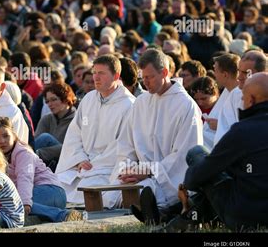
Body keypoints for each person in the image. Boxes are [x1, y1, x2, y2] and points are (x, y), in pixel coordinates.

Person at [111, 49, 203, 209]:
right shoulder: (141, 102)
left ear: (165, 72)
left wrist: (149, 170)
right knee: (110, 194)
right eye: (143, 77)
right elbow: (126, 145)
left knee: (144, 194)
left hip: (168, 178)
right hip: (139, 175)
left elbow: (184, 156)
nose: (145, 82)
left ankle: (157, 208)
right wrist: (129, 169)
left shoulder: (186, 105)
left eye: (150, 77)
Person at [180, 72, 268, 231]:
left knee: (197, 153)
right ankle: (192, 213)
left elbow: (199, 176)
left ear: (251, 100)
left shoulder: (243, 131)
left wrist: (187, 182)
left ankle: (191, 212)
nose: (241, 101)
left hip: (244, 216)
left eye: (243, 98)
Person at [55, 55, 135, 204]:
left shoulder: (129, 106)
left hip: (106, 168)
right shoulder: (88, 99)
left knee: (95, 190)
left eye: (101, 73)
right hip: (82, 165)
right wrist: (79, 159)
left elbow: (125, 145)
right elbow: (75, 133)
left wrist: (95, 165)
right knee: (55, 185)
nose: (95, 78)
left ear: (116, 76)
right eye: (94, 72)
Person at [0, 117, 82, 222]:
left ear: (14, 135)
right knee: (4, 203)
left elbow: (25, 178)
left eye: (6, 136)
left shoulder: (23, 153)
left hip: (52, 191)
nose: (2, 141)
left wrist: (25, 203)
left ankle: (63, 215)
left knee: (12, 204)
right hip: (32, 194)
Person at [34, 83, 76, 169]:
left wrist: (39, 153)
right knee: (44, 138)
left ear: (65, 99)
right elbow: (37, 142)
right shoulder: (46, 119)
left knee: (45, 138)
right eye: (47, 101)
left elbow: (72, 149)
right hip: (47, 163)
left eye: (53, 100)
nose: (49, 104)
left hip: (69, 161)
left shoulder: (77, 119)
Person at [212, 53, 242, 146]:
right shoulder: (227, 91)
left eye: (215, 71)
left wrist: (218, 125)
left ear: (225, 74)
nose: (214, 76)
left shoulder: (240, 95)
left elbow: (242, 128)